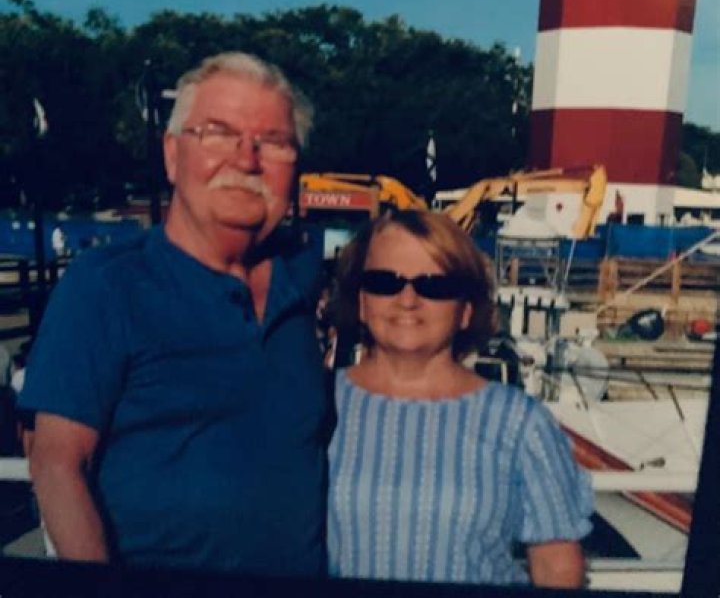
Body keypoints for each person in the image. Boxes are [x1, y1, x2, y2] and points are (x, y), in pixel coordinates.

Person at [18, 52, 329, 576]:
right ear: (171, 154)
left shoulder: (301, 279)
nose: (246, 160)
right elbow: (56, 462)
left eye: (273, 142)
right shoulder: (107, 285)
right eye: (218, 134)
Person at [327, 210, 592, 588]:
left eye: (434, 286)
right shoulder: (318, 406)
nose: (407, 299)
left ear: (466, 310)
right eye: (384, 282)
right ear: (362, 301)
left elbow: (556, 566)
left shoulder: (519, 422)